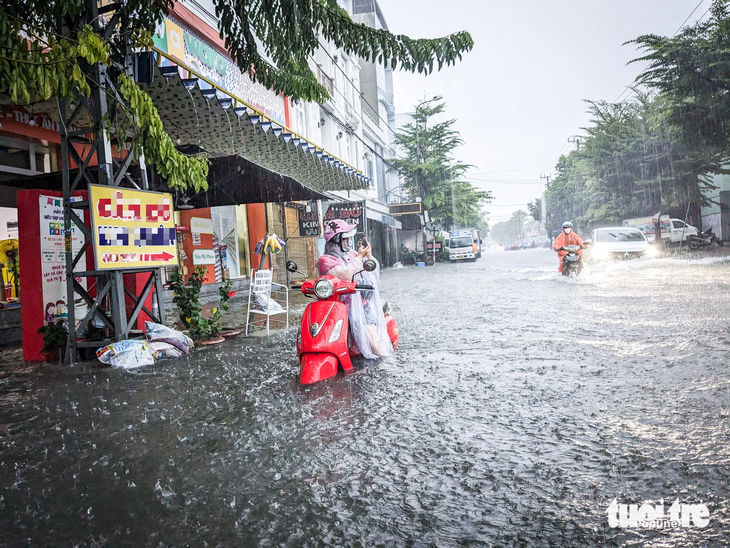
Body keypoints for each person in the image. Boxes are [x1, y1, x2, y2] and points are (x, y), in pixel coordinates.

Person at [317, 219, 393, 359]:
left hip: (360, 307)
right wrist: (360, 257)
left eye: (348, 239)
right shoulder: (326, 260)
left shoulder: (351, 254)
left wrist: (368, 255)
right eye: (345, 239)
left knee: (375, 345)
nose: (348, 242)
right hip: (336, 308)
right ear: (336, 240)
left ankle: (390, 365)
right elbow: (345, 275)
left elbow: (372, 275)